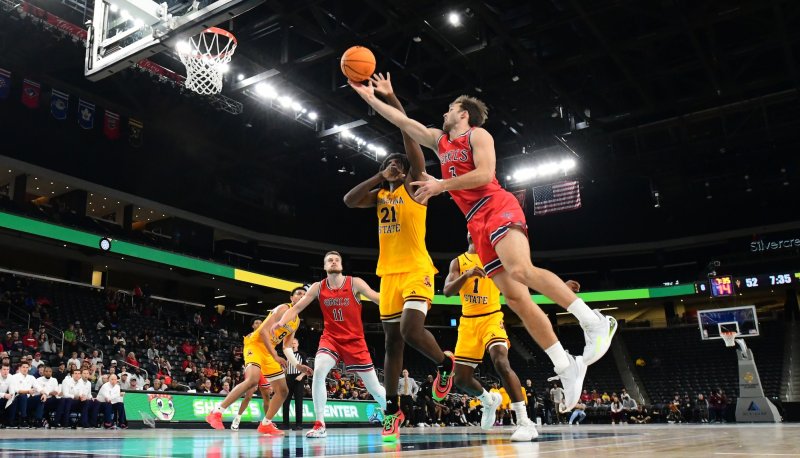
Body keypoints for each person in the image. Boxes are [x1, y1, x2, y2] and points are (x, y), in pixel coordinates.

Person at [350, 78, 618, 411]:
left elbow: (485, 173)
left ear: (464, 114)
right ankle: (566, 364)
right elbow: (402, 122)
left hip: (496, 205)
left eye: (450, 109)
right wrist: (374, 97)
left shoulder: (478, 135)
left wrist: (441, 185)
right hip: (475, 222)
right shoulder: (439, 140)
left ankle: (594, 321)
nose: (444, 113)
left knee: (521, 270)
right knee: (517, 297)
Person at [343, 73, 454, 442]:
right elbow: (348, 200)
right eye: (390, 165)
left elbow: (409, 135)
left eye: (399, 165)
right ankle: (392, 408)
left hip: (418, 271)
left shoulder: (415, 188)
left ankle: (444, 364)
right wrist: (378, 176)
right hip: (388, 276)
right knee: (392, 344)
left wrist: (393, 100)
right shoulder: (379, 196)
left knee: (408, 330)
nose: (396, 167)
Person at [444, 233, 577, 441]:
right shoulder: (458, 262)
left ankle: (524, 421)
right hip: (468, 323)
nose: (473, 231)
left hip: (491, 318)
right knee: (461, 379)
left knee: (500, 361)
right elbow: (446, 291)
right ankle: (488, 400)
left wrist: (560, 288)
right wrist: (466, 275)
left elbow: (523, 281)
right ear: (467, 233)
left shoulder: (495, 258)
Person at [273, 251, 387, 439]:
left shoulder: (354, 282)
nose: (333, 262)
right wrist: (280, 322)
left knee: (374, 387)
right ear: (325, 267)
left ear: (341, 265)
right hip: (331, 338)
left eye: (336, 260)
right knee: (319, 371)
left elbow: (376, 297)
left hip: (355, 340)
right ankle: (320, 424)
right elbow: (297, 307)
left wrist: (400, 299)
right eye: (329, 260)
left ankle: (391, 412)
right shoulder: (318, 287)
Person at [205, 287, 312, 435]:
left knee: (283, 391)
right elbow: (262, 331)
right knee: (253, 380)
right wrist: (275, 355)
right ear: (292, 297)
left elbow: (287, 346)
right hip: (255, 344)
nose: (302, 296)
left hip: (269, 351)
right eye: (299, 293)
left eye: (305, 295)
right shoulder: (283, 308)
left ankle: (266, 424)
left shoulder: (297, 322)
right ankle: (216, 412)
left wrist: (297, 365)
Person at [281, 338, 308, 431]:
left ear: (298, 344)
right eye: (291, 343)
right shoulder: (287, 355)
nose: (293, 344)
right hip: (289, 378)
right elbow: (285, 368)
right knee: (285, 401)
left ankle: (299, 425)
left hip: (299, 378)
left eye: (295, 343)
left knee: (298, 402)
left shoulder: (302, 354)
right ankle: (285, 424)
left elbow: (307, 368)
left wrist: (301, 375)